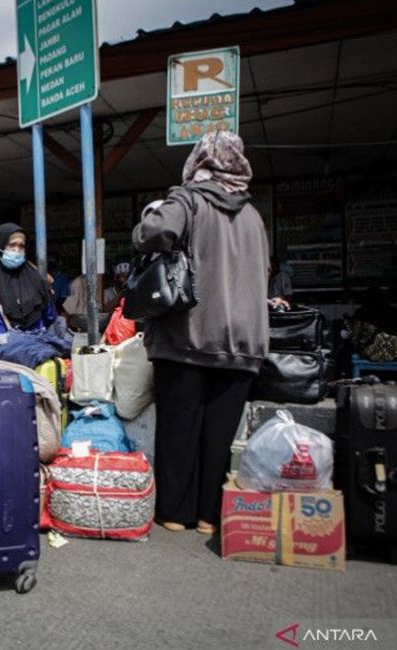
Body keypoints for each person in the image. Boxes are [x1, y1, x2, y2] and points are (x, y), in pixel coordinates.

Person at [131, 131, 269, 536]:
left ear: (199, 160)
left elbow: (152, 234)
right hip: (243, 341)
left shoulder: (189, 199)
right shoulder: (253, 216)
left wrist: (155, 211)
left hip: (188, 336)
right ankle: (210, 516)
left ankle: (176, 513)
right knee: (219, 435)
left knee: (180, 426)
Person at [0, 223, 56, 350]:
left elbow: (49, 316)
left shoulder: (37, 281)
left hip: (34, 355)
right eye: (11, 245)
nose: (16, 250)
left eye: (21, 246)